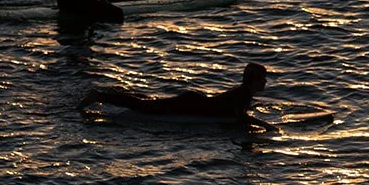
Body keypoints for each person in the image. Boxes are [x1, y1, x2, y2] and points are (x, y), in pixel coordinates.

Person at [84, 62, 268, 123]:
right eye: (262, 78)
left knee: (150, 102)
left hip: (195, 101)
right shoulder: (243, 94)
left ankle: (107, 95)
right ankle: (100, 96)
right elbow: (240, 116)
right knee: (145, 107)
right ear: (253, 80)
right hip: (191, 105)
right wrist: (266, 126)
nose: (266, 81)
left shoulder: (243, 93)